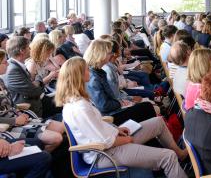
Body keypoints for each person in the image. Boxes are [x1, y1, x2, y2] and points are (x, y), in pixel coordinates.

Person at [56, 57, 188, 177]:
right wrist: (127, 139)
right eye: (85, 69)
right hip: (105, 154)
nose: (88, 71)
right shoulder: (80, 107)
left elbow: (97, 126)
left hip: (111, 142)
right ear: (78, 76)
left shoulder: (75, 102)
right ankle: (174, 160)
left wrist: (116, 130)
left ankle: (180, 154)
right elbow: (105, 142)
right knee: (168, 156)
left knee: (158, 122)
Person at [0, 49, 64, 153]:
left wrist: (19, 113)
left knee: (62, 127)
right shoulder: (12, 71)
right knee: (57, 138)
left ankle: (44, 156)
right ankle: (41, 158)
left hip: (17, 118)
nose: (7, 63)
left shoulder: (1, 81)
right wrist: (15, 120)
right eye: (4, 62)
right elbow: (34, 90)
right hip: (8, 127)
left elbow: (10, 105)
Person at [84, 39, 157, 125]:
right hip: (112, 115)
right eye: (109, 53)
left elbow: (112, 95)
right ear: (101, 54)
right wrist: (122, 102)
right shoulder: (94, 77)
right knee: (147, 107)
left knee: (147, 105)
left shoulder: (98, 72)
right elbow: (104, 106)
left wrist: (126, 100)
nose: (111, 55)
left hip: (115, 108)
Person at [4, 36, 45, 116]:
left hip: (36, 104)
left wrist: (35, 82)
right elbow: (34, 91)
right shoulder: (13, 70)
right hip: (28, 112)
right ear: (22, 51)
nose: (30, 50)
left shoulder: (18, 65)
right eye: (28, 48)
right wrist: (38, 79)